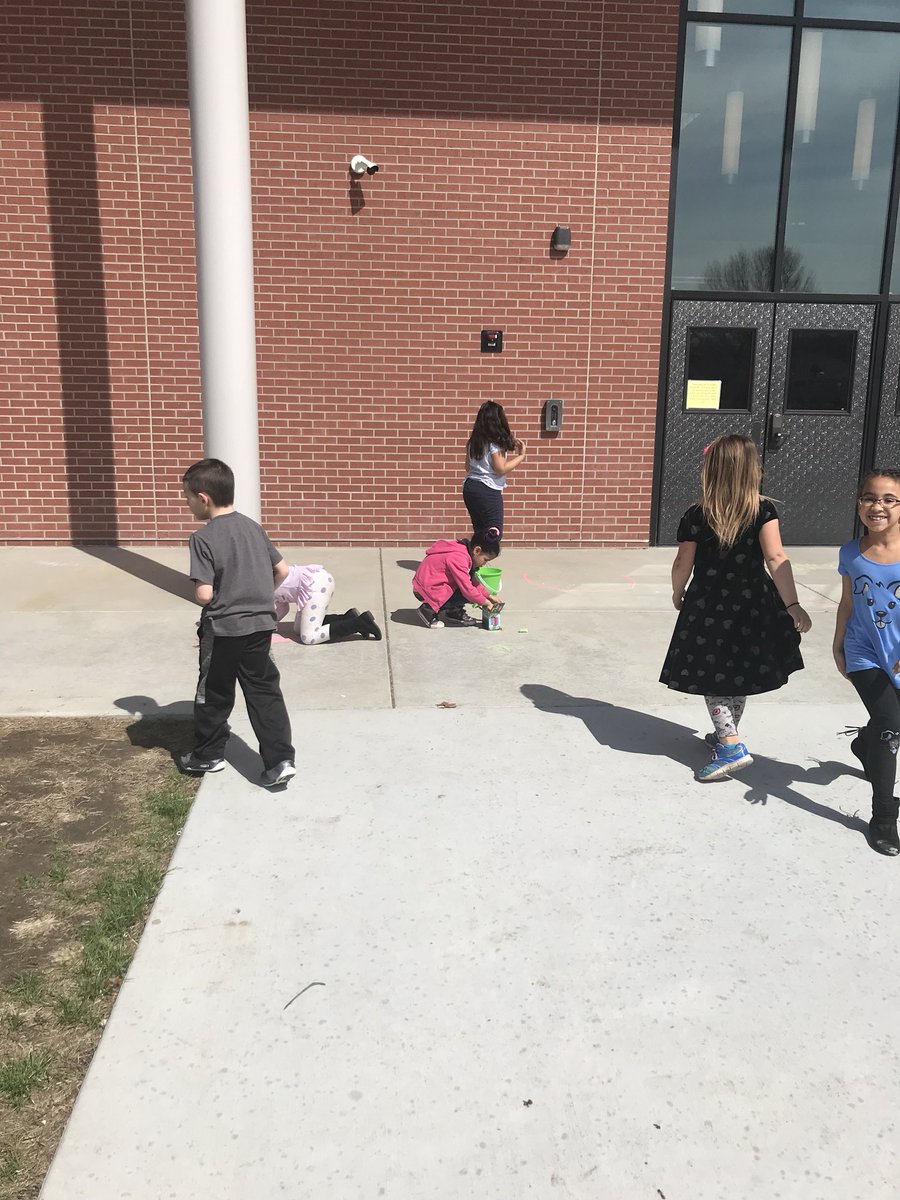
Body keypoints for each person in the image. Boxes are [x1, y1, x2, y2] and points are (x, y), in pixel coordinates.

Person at [659, 434, 811, 782]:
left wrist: (677, 591)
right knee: (737, 670)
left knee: (711, 673)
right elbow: (776, 557)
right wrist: (792, 604)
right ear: (752, 470)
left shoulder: (697, 514)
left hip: (708, 604)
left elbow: (683, 560)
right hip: (752, 603)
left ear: (710, 470)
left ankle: (729, 745)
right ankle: (727, 731)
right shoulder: (763, 510)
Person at [180, 458, 296, 788]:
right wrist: (261, 596)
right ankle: (280, 760)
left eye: (187, 497)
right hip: (261, 626)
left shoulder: (202, 538)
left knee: (214, 692)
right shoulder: (253, 527)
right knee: (264, 691)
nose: (187, 503)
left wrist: (211, 592)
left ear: (203, 498)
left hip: (224, 630)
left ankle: (208, 754)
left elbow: (204, 594)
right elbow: (283, 571)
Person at [834, 469, 900, 856]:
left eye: (889, 499)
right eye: (869, 498)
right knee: (892, 727)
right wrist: (839, 644)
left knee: (887, 725)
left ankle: (863, 743)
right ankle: (883, 817)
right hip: (864, 652)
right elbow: (847, 602)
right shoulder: (850, 552)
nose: (877, 506)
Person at [412, 527, 503, 629]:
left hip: (428, 585)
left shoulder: (464, 552)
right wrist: (485, 602)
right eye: (485, 559)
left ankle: (452, 611)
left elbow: (473, 582)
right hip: (426, 589)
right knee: (467, 592)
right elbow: (467, 589)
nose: (484, 564)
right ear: (477, 550)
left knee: (468, 590)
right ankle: (427, 610)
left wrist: (489, 596)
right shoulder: (459, 558)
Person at [274, 564, 381, 643]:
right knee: (298, 629)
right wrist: (270, 625)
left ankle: (359, 623)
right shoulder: (263, 579)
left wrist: (266, 627)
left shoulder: (260, 588)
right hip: (311, 583)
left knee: (309, 637)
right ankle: (347, 618)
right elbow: (283, 607)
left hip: (315, 585)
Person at [462, 401, 525, 536]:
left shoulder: (473, 441)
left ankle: (471, 556)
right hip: (487, 489)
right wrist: (521, 456)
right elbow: (500, 469)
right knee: (493, 535)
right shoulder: (495, 443)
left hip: (470, 487)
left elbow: (467, 467)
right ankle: (466, 553)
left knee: (480, 532)